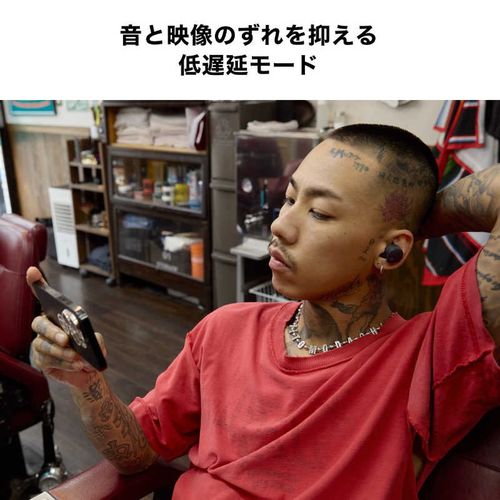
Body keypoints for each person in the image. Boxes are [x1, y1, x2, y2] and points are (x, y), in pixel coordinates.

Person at [27, 124, 500, 499]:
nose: (280, 225)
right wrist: (87, 385)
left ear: (391, 250)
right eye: (290, 198)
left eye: (320, 213)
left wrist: (414, 216)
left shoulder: (427, 361)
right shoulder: (224, 329)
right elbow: (136, 453)